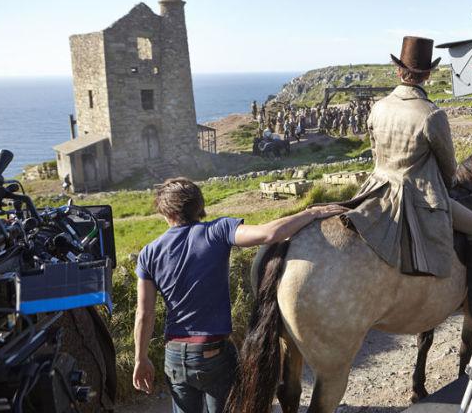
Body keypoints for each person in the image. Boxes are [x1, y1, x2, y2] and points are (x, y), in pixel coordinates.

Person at [132, 177, 345, 413]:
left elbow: (144, 313)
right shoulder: (217, 231)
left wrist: (141, 358)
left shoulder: (148, 253)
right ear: (198, 206)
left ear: (165, 212)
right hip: (213, 353)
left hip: (174, 356)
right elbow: (269, 233)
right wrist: (312, 213)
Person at [342, 36, 472, 316]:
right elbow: (449, 166)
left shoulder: (379, 107)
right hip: (417, 195)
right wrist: (445, 191)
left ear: (399, 71)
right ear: (428, 75)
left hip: (376, 188)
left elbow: (375, 152)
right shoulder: (432, 115)